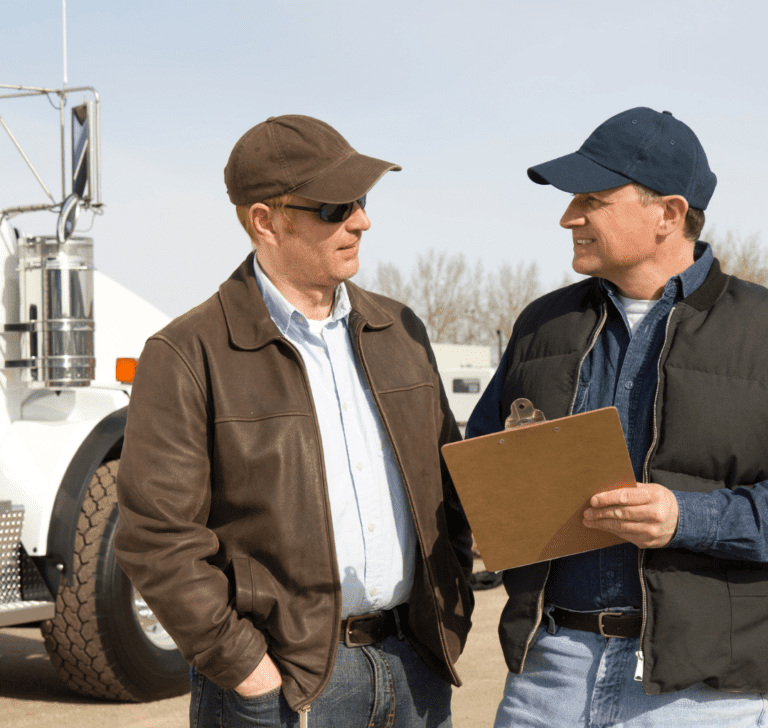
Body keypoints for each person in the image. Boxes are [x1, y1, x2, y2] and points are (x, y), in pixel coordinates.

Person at [115, 114, 473, 728]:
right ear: (265, 220)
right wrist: (247, 671)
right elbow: (157, 538)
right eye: (335, 207)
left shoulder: (402, 331)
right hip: (285, 690)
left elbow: (451, 486)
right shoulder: (187, 353)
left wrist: (449, 616)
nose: (362, 220)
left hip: (415, 672)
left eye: (360, 200)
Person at [467, 107, 768, 727]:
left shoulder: (761, 330)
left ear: (669, 214)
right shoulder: (541, 324)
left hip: (703, 693)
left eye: (592, 199)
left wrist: (688, 517)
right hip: (547, 676)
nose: (568, 216)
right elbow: (478, 461)